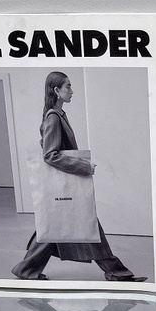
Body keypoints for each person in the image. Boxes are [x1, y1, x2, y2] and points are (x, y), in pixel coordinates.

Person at [11, 71, 147, 282]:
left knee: (54, 227)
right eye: (68, 86)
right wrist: (83, 166)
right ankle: (115, 272)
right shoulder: (54, 118)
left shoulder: (58, 115)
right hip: (65, 184)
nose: (72, 91)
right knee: (83, 225)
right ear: (57, 91)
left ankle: (27, 269)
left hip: (63, 186)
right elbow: (49, 155)